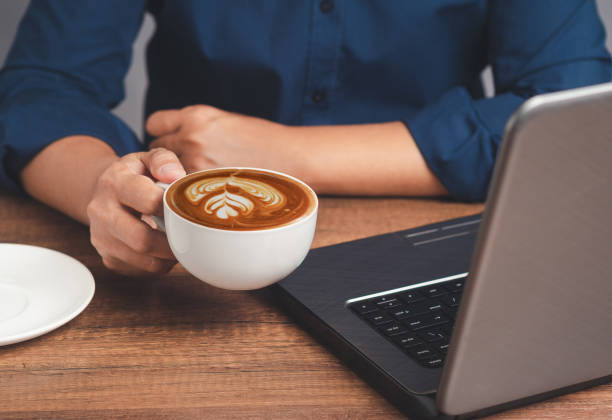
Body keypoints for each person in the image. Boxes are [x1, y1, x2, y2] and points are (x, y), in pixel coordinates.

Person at [0, 0, 610, 276]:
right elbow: (42, 88)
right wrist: (105, 192)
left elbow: (576, 118)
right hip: (186, 260)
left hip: (433, 254)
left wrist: (287, 156)